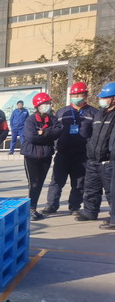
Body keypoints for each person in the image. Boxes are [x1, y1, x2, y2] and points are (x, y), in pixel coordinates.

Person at [43, 82, 96, 216]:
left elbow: (96, 134)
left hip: (82, 154)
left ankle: (74, 206)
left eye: (79, 95)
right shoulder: (62, 112)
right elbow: (54, 130)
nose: (76, 97)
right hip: (63, 152)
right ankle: (51, 205)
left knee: (78, 183)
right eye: (74, 95)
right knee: (56, 181)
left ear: (85, 95)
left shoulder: (93, 112)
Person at [76, 82, 115, 222]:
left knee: (111, 191)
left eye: (105, 97)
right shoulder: (99, 114)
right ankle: (90, 212)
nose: (101, 100)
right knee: (91, 188)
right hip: (93, 159)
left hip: (109, 161)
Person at [21, 92, 62, 221]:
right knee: (33, 183)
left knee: (39, 183)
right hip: (31, 155)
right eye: (45, 103)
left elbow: (58, 132)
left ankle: (33, 208)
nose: (48, 105)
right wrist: (48, 136)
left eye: (48, 103)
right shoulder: (30, 120)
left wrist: (43, 132)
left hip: (46, 155)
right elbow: (31, 137)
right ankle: (30, 209)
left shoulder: (53, 119)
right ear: (38, 106)